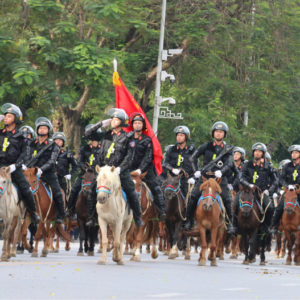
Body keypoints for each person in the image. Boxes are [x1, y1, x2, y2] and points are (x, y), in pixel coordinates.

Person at [85, 108, 143, 228]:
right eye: (112, 119)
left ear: (121, 122)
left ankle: (137, 218)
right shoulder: (105, 134)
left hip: (119, 171)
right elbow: (88, 134)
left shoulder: (128, 137)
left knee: (132, 192)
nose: (112, 121)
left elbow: (129, 157)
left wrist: (120, 168)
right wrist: (100, 124)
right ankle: (92, 218)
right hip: (104, 171)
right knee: (91, 190)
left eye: (115, 119)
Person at [184, 121, 235, 233]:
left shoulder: (228, 149)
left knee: (227, 199)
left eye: (221, 132)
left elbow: (230, 163)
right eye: (216, 131)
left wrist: (221, 172)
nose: (218, 134)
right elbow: (192, 158)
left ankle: (229, 223)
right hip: (205, 178)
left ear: (224, 134)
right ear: (213, 133)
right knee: (193, 196)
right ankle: (189, 221)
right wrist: (195, 171)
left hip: (220, 179)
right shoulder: (206, 146)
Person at [0, 103, 39, 223]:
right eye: (5, 116)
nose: (6, 118)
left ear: (15, 120)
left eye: (9, 116)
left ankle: (33, 213)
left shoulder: (22, 136)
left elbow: (25, 154)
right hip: (0, 167)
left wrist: (15, 166)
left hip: (13, 167)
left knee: (26, 189)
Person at [128, 112, 166, 221]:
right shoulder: (127, 138)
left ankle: (162, 210)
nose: (137, 125)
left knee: (156, 187)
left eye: (140, 123)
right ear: (132, 125)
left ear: (143, 125)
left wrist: (140, 170)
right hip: (129, 170)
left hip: (145, 171)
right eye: (135, 123)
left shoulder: (147, 140)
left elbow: (148, 157)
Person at [27, 117, 65, 224]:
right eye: (40, 128)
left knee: (57, 193)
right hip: (32, 174)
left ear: (49, 130)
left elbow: (52, 161)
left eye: (44, 128)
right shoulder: (31, 144)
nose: (42, 130)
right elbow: (26, 156)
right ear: (37, 130)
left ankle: (61, 215)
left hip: (48, 174)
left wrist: (41, 170)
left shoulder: (54, 145)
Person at [233, 142, 278, 232]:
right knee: (233, 205)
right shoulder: (247, 164)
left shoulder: (268, 166)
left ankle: (266, 227)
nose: (257, 153)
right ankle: (234, 227)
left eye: (260, 151)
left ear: (263, 154)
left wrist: (269, 190)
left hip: (261, 192)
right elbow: (241, 177)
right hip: (246, 191)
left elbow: (275, 180)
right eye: (256, 151)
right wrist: (248, 185)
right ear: (253, 152)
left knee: (270, 207)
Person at [66, 124, 104, 218]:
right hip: (85, 174)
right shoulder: (84, 148)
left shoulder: (103, 149)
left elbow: (105, 162)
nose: (92, 140)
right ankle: (70, 210)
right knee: (75, 189)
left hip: (99, 175)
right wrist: (86, 169)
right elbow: (79, 161)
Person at [271, 145, 300, 232]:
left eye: (296, 152)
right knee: (279, 208)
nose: (293, 154)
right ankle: (274, 226)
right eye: (292, 153)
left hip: (299, 191)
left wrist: (296, 186)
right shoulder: (287, 166)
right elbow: (281, 178)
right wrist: (287, 185)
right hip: (288, 192)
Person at [163, 125, 197, 198]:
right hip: (171, 179)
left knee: (193, 198)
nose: (179, 137)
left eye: (181, 135)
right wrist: (172, 169)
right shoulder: (171, 149)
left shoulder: (192, 151)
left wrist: (193, 178)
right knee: (160, 194)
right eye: (178, 135)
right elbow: (165, 163)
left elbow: (196, 168)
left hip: (186, 180)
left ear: (186, 137)